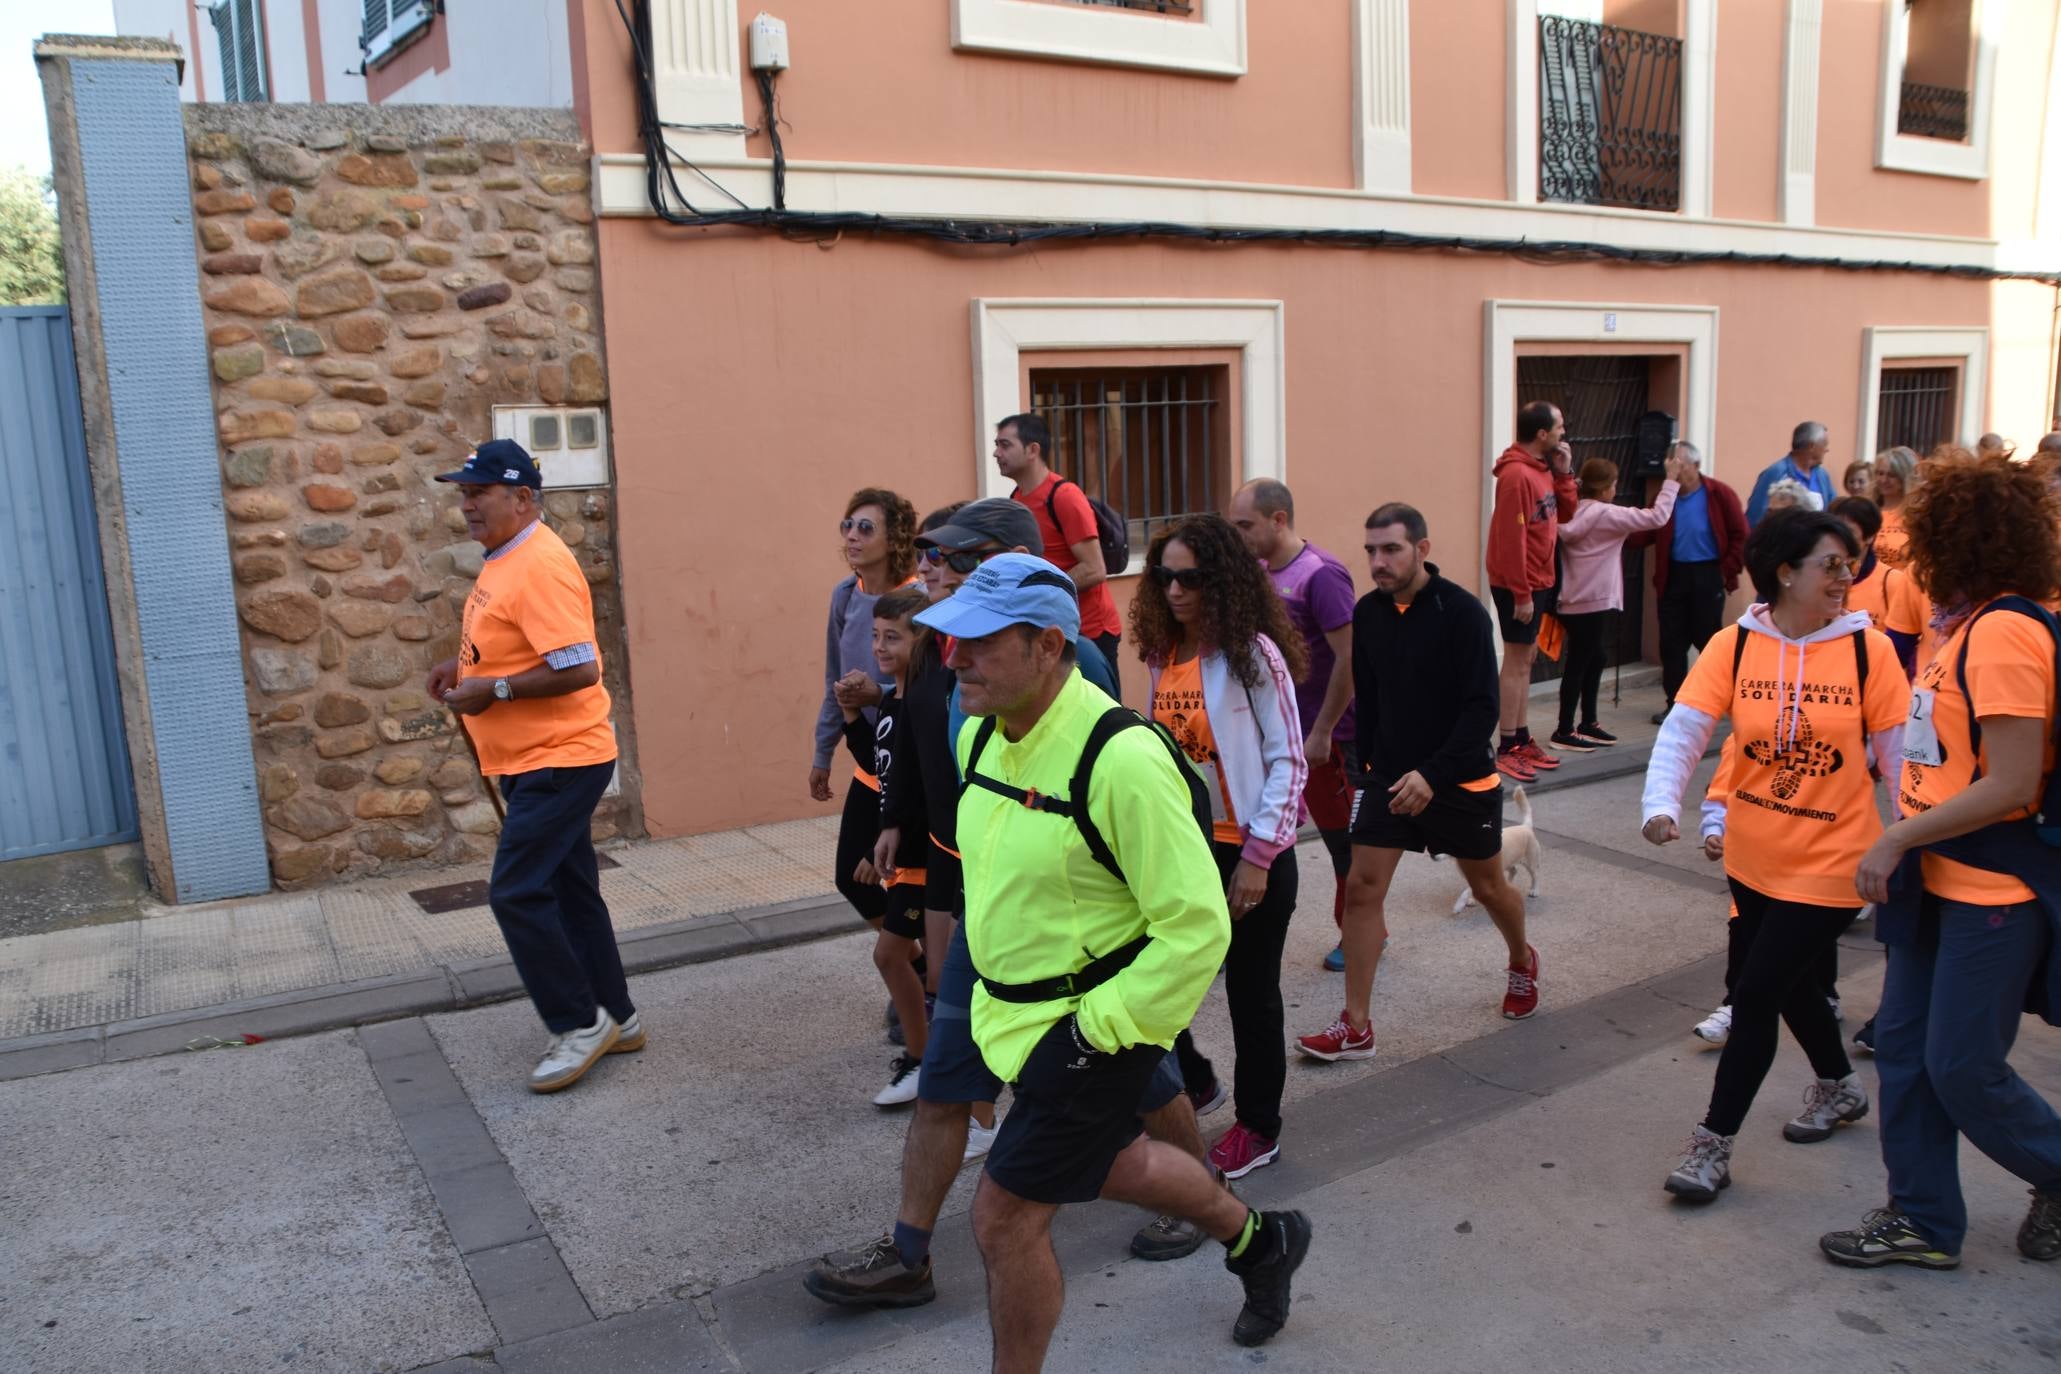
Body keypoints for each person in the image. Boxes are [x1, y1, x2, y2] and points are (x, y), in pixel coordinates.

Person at [804, 506, 1210, 1314]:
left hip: (1079, 951)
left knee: (1138, 1086)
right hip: (983, 918)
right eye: (936, 558)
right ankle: (909, 1255)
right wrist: (903, 836)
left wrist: (1106, 1010)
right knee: (943, 1088)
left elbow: (1110, 802)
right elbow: (926, 755)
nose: (956, 655)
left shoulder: (1086, 688)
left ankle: (1213, 1210)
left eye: (959, 557)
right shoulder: (946, 659)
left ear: (1046, 644)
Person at [922, 553, 1312, 1361]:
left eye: (980, 642)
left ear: (1048, 645)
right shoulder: (983, 738)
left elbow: (1197, 923)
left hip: (1084, 1030)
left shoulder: (1121, 759)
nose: (954, 658)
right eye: (949, 639)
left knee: (1003, 1217)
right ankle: (1262, 1244)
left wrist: (1096, 1032)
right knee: (1122, 1163)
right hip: (1015, 1019)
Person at [1822, 450, 2061, 1271]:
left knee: (1960, 1065)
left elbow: (2013, 784)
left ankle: (2056, 1172)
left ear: (1958, 540)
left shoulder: (2001, 634)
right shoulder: (1965, 625)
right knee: (1903, 1052)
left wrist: (1893, 836)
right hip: (1936, 876)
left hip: (1989, 887)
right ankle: (1921, 1218)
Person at [1640, 509, 1907, 1203]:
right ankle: (1840, 1090)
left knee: (1754, 993)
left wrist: (1907, 838)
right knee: (1789, 985)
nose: (1847, 577)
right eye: (1832, 565)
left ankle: (1711, 1146)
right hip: (1752, 859)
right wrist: (1661, 804)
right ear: (1785, 573)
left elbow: (1900, 757)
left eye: (1850, 564)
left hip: (1832, 862)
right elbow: (1685, 729)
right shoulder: (1735, 646)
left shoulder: (1866, 652)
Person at [1297, 503, 1541, 1068]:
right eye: (1371, 551)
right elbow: (1373, 700)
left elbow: (1483, 708)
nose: (1378, 562)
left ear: (1422, 550)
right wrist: (1371, 771)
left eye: (1391, 550)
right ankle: (1356, 1026)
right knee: (1361, 887)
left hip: (1458, 778)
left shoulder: (1462, 615)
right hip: (1389, 779)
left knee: (1488, 888)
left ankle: (1522, 959)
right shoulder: (1369, 614)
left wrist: (1433, 775)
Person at [427, 441, 635, 1093]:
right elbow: (515, 647)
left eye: (478, 493)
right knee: (571, 892)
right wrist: (466, 671)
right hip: (538, 759)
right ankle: (618, 1018)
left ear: (522, 498)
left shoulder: (538, 564)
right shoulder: (507, 558)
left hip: (559, 759)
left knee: (515, 892)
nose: (466, 505)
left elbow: (579, 668)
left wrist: (496, 691)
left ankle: (579, 1023)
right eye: (462, 493)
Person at [1132, 513, 1309, 1180]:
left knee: (1250, 993)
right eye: (1164, 576)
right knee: (1156, 974)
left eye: (1191, 577)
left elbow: (1288, 760)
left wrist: (1259, 858)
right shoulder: (1162, 655)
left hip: (1251, 853)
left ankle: (1259, 1128)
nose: (1175, 590)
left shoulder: (1251, 654)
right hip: (1187, 848)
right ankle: (1197, 1080)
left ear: (1222, 580)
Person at [1227, 478, 1357, 974]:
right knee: (1272, 834)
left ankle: (1361, 931)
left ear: (1278, 520)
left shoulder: (1319, 576)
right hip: (1280, 735)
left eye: (1245, 525)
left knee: (1344, 844)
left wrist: (1323, 730)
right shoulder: (1259, 570)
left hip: (1327, 740)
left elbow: (1350, 659)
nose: (1237, 535)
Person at [838, 587, 937, 1107]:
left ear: (922, 640)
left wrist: (891, 840)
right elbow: (881, 767)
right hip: (901, 855)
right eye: (875, 635)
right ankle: (928, 1055)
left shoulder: (920, 702)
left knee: (889, 954)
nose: (879, 646)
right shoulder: (896, 699)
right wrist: (853, 716)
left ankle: (925, 1062)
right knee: (895, 957)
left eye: (892, 637)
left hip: (921, 859)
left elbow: (916, 788)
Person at [811, 489, 919, 933]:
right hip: (866, 757)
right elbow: (832, 679)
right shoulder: (844, 595)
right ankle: (911, 969)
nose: (852, 536)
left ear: (894, 537)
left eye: (866, 527)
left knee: (906, 877)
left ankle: (923, 980)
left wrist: (878, 694)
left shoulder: (919, 599)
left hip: (906, 757)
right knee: (851, 880)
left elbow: (928, 686)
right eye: (847, 526)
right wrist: (822, 753)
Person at [1551, 454, 1681, 753]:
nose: (1615, 489)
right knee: (1579, 663)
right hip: (1593, 600)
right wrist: (1670, 480)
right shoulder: (1608, 514)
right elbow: (1657, 517)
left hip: (1574, 598)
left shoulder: (1576, 512)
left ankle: (1588, 722)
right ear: (1606, 487)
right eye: (1613, 484)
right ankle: (1564, 729)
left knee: (1594, 657)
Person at [994, 413, 1125, 694]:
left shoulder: (1064, 496)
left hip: (1090, 632)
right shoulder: (1016, 500)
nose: (996, 453)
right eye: (997, 445)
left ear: (1033, 450)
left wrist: (1041, 590)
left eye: (1005, 445)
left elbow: (1094, 569)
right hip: (1052, 632)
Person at [1486, 402, 1579, 782]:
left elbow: (1568, 513)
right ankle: (1507, 744)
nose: (1563, 432)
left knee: (1527, 659)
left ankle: (1521, 737)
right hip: (1517, 582)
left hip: (1538, 578)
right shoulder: (1516, 476)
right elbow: (1511, 539)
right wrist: (1521, 593)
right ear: (1542, 434)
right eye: (1559, 426)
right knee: (1516, 658)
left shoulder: (1542, 470)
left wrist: (1565, 472)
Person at [1629, 441, 1747, 723]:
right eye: (1671, 465)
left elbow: (1740, 535)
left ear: (1696, 466)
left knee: (1709, 642)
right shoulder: (1665, 496)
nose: (1676, 472)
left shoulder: (1718, 494)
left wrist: (1724, 571)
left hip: (1708, 573)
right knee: (1671, 643)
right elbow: (1646, 529)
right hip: (1674, 575)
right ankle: (1676, 704)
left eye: (1680, 465)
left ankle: (1716, 700)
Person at [1831, 496, 1925, 675]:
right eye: (1834, 530)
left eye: (1847, 531)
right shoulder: (1818, 580)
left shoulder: (1892, 582)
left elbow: (1906, 649)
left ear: (1870, 536)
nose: (1839, 538)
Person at [1746, 421, 1838, 524]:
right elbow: (1755, 516)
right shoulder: (1776, 473)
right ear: (1812, 446)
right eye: (1824, 444)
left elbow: (1834, 512)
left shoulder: (1822, 476)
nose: (1827, 449)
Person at [1872, 446, 1921, 569]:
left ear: (1905, 478)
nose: (1884, 480)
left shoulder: (1916, 514)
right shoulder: (1867, 511)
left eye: (1891, 475)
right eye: (1880, 473)